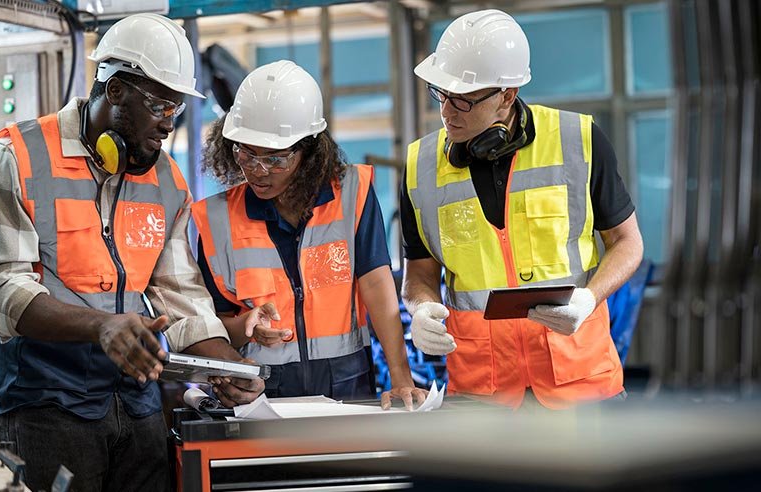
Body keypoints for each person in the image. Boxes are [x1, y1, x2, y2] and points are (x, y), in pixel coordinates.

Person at [0, 14, 264, 491]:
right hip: (47, 409)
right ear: (114, 90)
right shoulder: (18, 157)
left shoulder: (165, 180)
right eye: (159, 105)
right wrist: (103, 327)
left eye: (175, 109)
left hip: (139, 407)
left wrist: (226, 366)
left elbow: (179, 295)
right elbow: (5, 292)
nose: (167, 124)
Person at [401, 9, 644, 409]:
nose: (446, 112)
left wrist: (588, 298)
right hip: (483, 390)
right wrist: (421, 308)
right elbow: (419, 273)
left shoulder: (578, 141)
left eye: (462, 100)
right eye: (440, 93)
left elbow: (628, 242)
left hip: (579, 382)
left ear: (507, 96)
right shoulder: (419, 166)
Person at [193, 60, 426, 410]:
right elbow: (210, 324)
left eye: (275, 159)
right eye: (246, 153)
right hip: (262, 395)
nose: (257, 171)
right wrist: (247, 327)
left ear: (310, 151)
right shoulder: (216, 219)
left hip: (349, 386)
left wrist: (401, 377)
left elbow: (377, 286)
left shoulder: (353, 194)